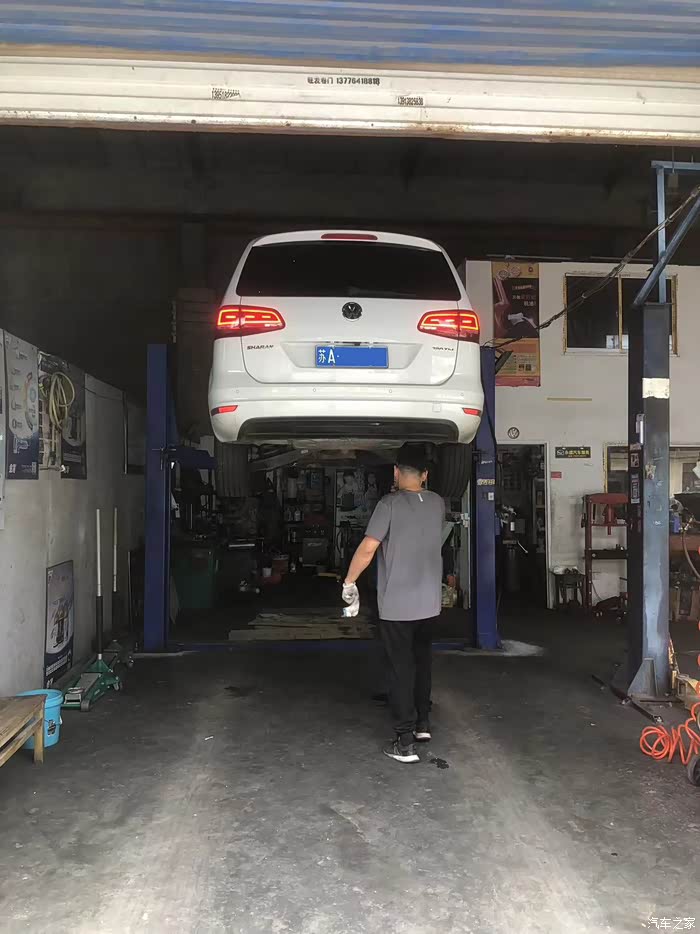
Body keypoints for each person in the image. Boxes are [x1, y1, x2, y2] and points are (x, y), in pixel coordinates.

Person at [342, 444, 445, 764]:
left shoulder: (388, 504)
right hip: (430, 603)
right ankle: (422, 724)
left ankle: (404, 741)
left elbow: (368, 548)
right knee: (422, 662)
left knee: (401, 668)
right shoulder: (437, 502)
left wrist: (349, 582)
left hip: (398, 605)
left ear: (396, 472)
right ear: (425, 475)